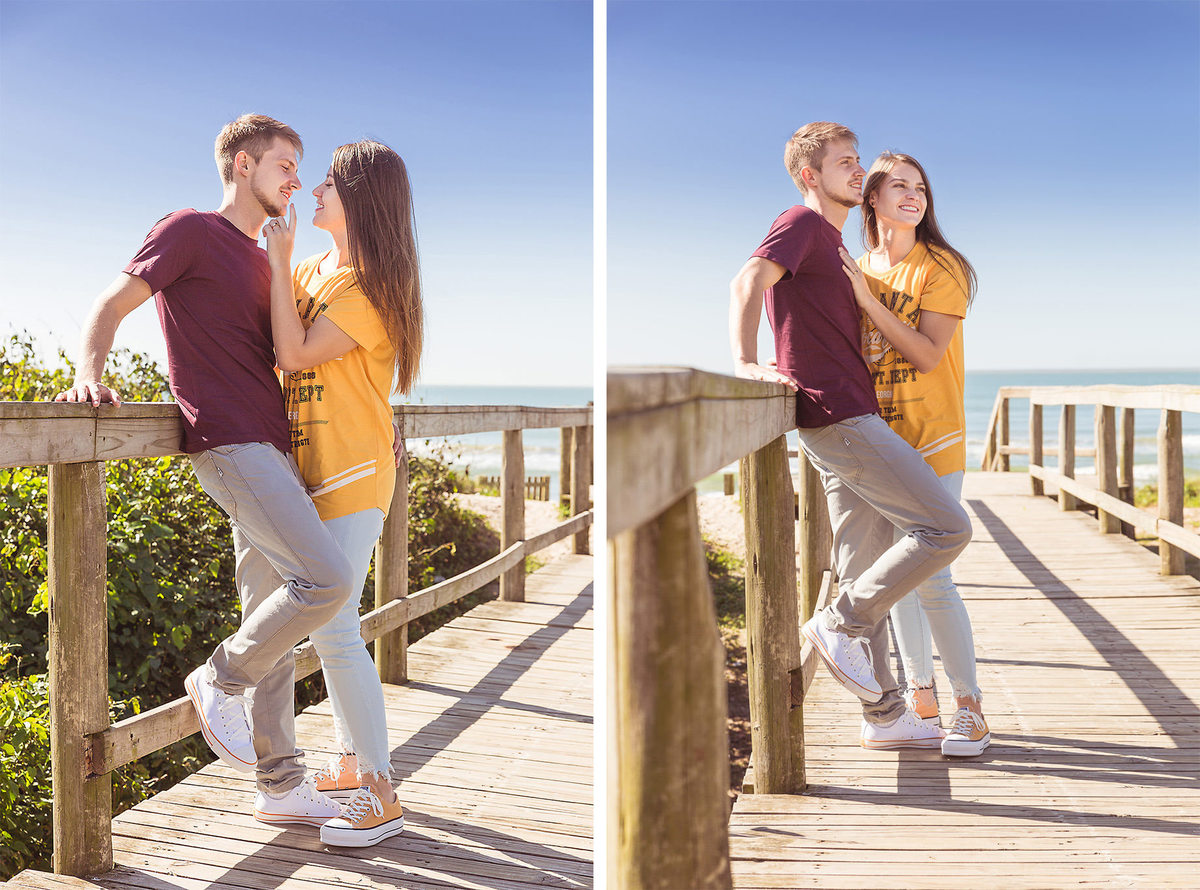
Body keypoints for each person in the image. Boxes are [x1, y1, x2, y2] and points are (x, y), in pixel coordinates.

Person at [55, 114, 348, 828]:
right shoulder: (189, 229)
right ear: (243, 165)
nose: (295, 180)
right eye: (285, 165)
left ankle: (280, 784)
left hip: (272, 445)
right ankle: (218, 677)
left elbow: (296, 356)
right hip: (229, 443)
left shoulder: (262, 258)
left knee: (271, 613)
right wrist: (88, 376)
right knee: (329, 579)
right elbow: (111, 303)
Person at [729, 121, 973, 750]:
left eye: (858, 160)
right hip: (838, 415)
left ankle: (886, 715)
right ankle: (838, 623)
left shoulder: (834, 248)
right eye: (844, 163)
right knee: (947, 528)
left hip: (839, 418)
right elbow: (746, 280)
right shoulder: (804, 223)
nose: (856, 170)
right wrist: (744, 360)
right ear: (810, 175)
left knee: (863, 565)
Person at [262, 139, 422, 847]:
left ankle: (381, 791)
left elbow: (294, 354)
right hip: (304, 478)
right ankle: (354, 766)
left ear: (360, 197)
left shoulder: (369, 288)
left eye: (328, 181)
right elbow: (268, 347)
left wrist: (273, 258)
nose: (315, 189)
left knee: (332, 625)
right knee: (326, 628)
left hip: (355, 476)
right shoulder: (310, 270)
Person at [837, 151, 989, 756]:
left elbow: (928, 354)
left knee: (935, 573)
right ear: (871, 197)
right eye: (897, 185)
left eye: (920, 187)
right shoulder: (860, 263)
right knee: (897, 581)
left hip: (935, 437)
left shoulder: (941, 266)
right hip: (881, 441)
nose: (912, 195)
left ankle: (970, 709)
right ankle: (920, 701)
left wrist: (867, 301)